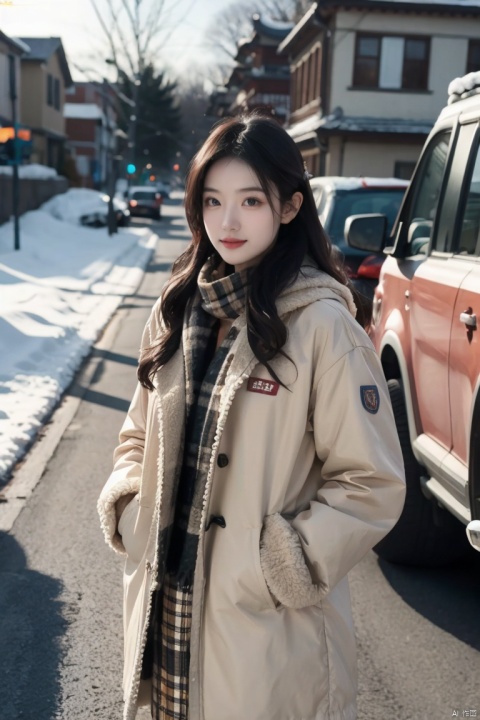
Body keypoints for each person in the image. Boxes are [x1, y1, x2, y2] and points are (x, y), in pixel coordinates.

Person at [98, 113, 406, 720]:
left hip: (264, 631)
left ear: (289, 207)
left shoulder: (323, 326)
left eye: (249, 201)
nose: (227, 222)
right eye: (212, 201)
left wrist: (286, 560)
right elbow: (137, 434)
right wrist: (131, 504)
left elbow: (371, 481)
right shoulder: (177, 309)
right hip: (166, 609)